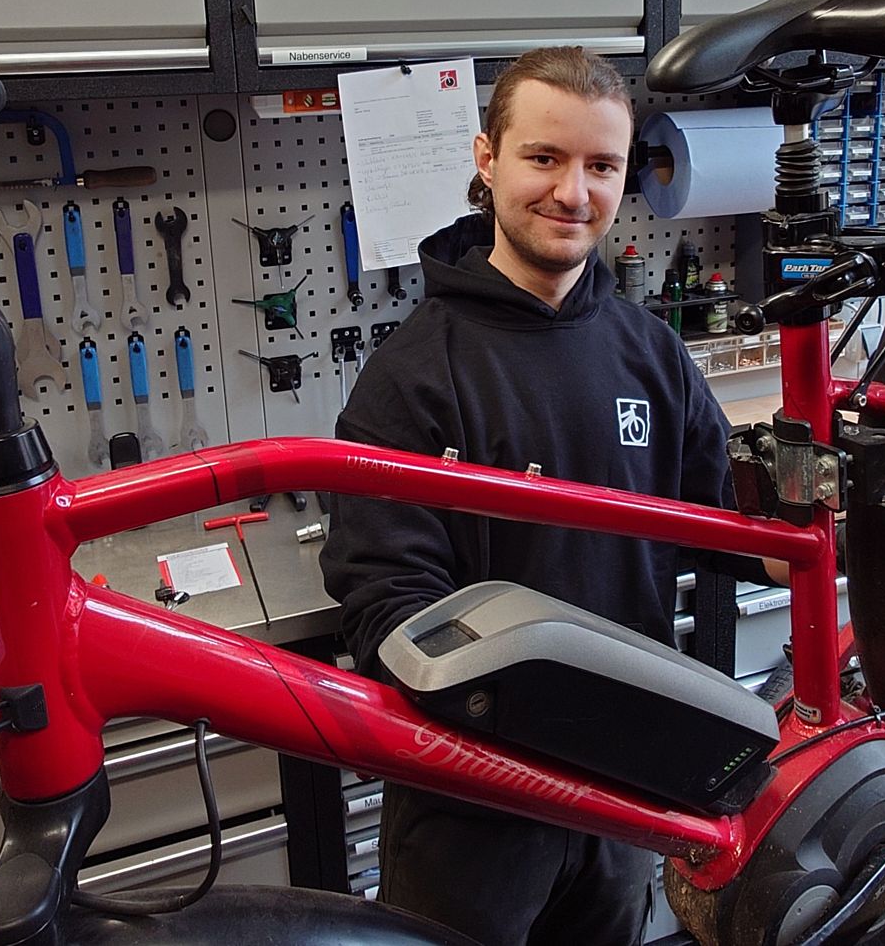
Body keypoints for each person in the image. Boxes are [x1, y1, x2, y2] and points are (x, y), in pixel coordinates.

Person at [319, 47, 781, 946]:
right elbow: (386, 613)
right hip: (474, 809)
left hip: (620, 794)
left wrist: (828, 519)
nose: (574, 193)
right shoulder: (413, 377)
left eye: (601, 166)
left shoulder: (650, 352)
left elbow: (726, 525)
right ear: (487, 159)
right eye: (544, 158)